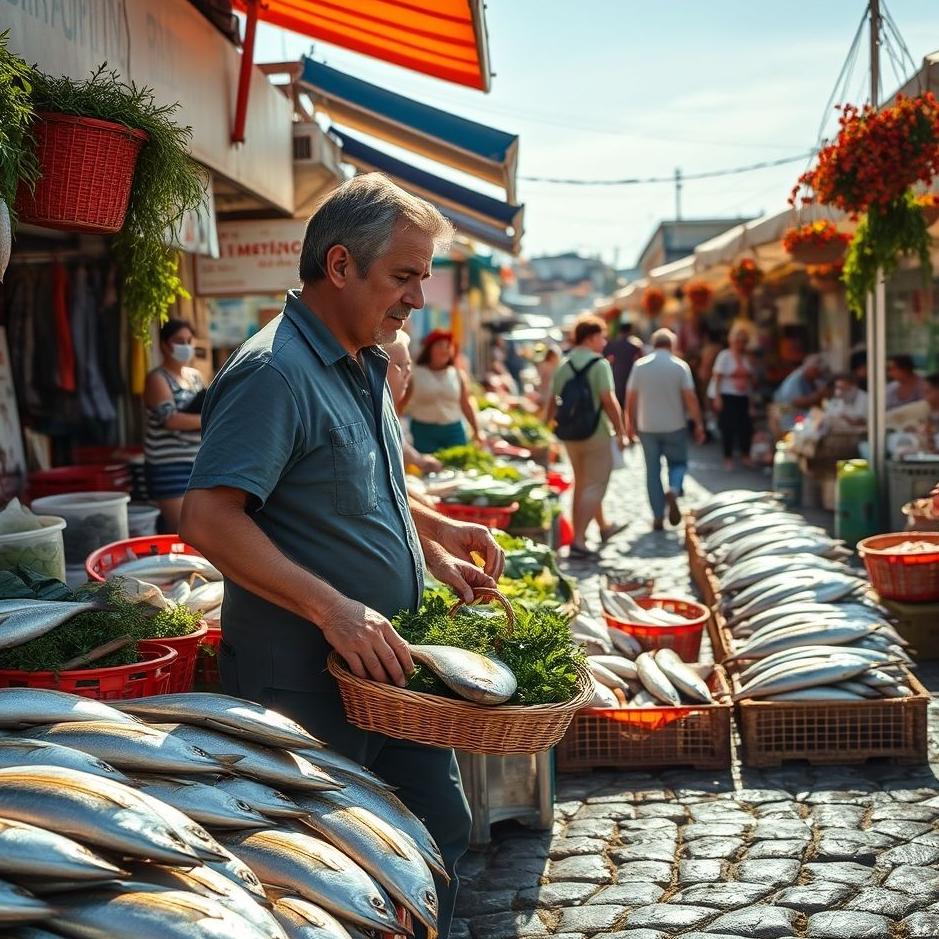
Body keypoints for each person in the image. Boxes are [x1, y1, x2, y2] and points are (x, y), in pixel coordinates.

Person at [180, 174, 506, 939]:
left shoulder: (360, 358)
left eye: (422, 278)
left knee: (434, 832)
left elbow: (353, 481)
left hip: (387, 668)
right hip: (307, 679)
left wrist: (434, 535)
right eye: (403, 276)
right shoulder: (273, 371)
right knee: (332, 872)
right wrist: (332, 607)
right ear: (337, 265)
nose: (416, 300)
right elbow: (209, 518)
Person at [545, 314, 628, 558]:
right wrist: (621, 431)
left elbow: (553, 400)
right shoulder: (599, 364)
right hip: (596, 433)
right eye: (602, 337)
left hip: (570, 435)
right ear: (591, 337)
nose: (604, 342)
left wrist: (546, 427)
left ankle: (602, 527)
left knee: (582, 483)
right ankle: (579, 541)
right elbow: (609, 401)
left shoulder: (564, 363)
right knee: (596, 484)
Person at [626, 328, 705, 530]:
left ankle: (658, 516)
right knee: (678, 464)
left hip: (647, 426)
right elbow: (690, 398)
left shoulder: (640, 366)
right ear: (672, 345)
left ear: (653, 344)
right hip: (674, 425)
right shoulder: (680, 367)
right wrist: (698, 423)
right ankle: (674, 488)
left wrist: (629, 424)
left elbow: (631, 398)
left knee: (652, 471)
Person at [143, 318, 205, 532]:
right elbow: (170, 420)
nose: (186, 346)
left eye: (189, 340)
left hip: (197, 463)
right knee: (181, 530)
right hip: (169, 466)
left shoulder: (196, 377)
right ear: (164, 344)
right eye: (180, 340)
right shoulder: (157, 378)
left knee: (201, 528)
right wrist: (208, 419)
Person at [405, 329, 481, 453]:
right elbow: (401, 403)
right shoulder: (415, 374)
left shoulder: (457, 374)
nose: (445, 350)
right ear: (429, 349)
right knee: (429, 468)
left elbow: (465, 404)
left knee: (458, 467)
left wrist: (477, 431)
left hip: (453, 431)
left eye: (448, 346)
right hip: (424, 432)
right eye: (439, 345)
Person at [384, 332, 442, 474]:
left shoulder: (388, 408)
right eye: (399, 366)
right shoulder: (373, 411)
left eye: (409, 365)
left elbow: (398, 442)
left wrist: (420, 461)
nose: (408, 373)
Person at [711, 326, 756, 470]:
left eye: (743, 341)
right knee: (728, 427)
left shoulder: (746, 358)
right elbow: (717, 377)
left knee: (745, 427)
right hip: (727, 395)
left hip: (743, 396)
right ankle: (728, 457)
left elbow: (750, 381)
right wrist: (717, 397)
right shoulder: (724, 356)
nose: (740, 344)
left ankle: (745, 455)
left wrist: (751, 402)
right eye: (737, 340)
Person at [772, 353, 828, 433]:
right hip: (788, 416)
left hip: (800, 416)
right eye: (816, 370)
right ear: (810, 369)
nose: (818, 373)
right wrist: (818, 395)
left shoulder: (814, 380)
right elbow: (796, 402)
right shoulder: (795, 379)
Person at [603, 318, 644, 407]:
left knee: (619, 404)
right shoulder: (636, 345)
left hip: (616, 377)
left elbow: (605, 358)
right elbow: (641, 360)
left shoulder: (612, 344)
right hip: (631, 376)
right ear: (630, 331)